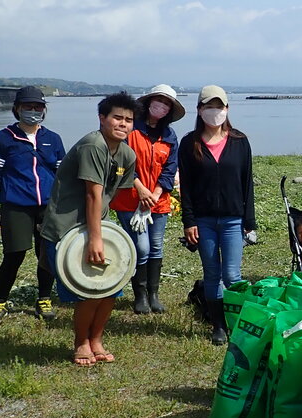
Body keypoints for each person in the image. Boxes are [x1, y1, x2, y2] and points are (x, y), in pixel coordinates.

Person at [40, 92, 138, 366]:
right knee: (88, 292)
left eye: (129, 120)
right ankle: (81, 342)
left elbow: (112, 194)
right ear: (102, 118)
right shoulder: (93, 146)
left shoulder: (126, 154)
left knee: (111, 288)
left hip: (99, 227)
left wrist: (109, 234)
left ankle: (97, 339)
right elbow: (93, 195)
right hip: (67, 228)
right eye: (117, 117)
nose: (123, 124)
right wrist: (96, 239)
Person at [0, 86, 67, 323]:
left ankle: (44, 299)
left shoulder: (53, 139)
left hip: (48, 206)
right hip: (16, 205)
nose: (33, 111)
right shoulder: (3, 138)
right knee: (14, 254)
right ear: (17, 109)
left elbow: (62, 174)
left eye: (38, 107)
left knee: (46, 255)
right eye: (28, 107)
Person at [178, 85, 257, 345]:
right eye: (209, 106)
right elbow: (186, 187)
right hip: (204, 221)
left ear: (227, 109)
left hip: (234, 219)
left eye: (219, 106)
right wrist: (188, 221)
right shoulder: (190, 143)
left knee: (233, 275)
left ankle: (237, 323)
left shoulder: (240, 141)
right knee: (212, 273)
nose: (215, 112)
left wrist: (249, 221)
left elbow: (247, 183)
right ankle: (218, 326)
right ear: (199, 110)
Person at [110, 84, 184, 315]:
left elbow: (170, 169)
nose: (161, 106)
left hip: (158, 201)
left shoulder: (170, 135)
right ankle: (139, 295)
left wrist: (156, 194)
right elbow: (119, 162)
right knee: (141, 248)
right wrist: (141, 188)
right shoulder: (131, 129)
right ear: (148, 102)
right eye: (158, 101)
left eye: (166, 104)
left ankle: (153, 294)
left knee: (156, 247)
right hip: (129, 199)